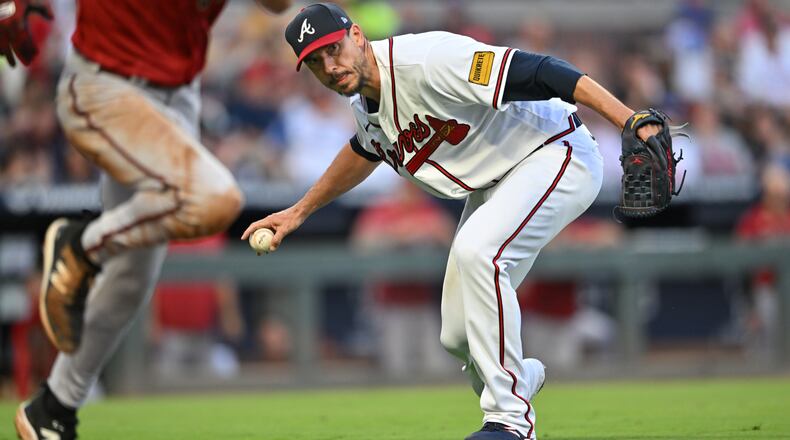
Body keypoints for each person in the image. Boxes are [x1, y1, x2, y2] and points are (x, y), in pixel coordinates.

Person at [242, 3, 664, 439]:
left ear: (357, 36)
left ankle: (510, 422)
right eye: (314, 61)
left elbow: (542, 70)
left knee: (478, 251)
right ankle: (520, 378)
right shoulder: (366, 107)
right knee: (457, 335)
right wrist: (298, 211)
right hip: (497, 184)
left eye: (332, 49)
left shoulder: (428, 60)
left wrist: (628, 118)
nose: (329, 66)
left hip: (554, 150)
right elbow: (364, 150)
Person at [4, 0, 291, 439]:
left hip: (177, 96)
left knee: (135, 274)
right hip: (105, 84)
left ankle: (53, 408)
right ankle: (81, 246)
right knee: (216, 199)